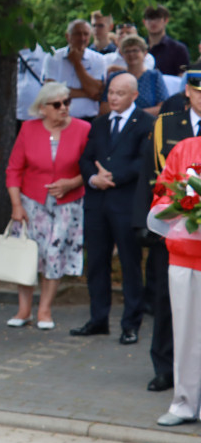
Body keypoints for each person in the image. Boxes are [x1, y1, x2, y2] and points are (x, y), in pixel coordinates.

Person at [71, 73, 154, 344]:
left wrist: (112, 178)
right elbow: (86, 159)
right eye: (111, 92)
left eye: (119, 93)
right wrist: (94, 179)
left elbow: (142, 162)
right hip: (97, 204)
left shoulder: (145, 123)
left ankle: (131, 325)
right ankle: (98, 319)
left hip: (125, 205)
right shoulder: (99, 123)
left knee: (130, 265)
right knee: (96, 263)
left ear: (134, 95)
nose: (113, 97)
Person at [132, 69, 201, 393]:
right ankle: (164, 367)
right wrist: (144, 221)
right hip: (173, 229)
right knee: (164, 300)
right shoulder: (168, 122)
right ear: (188, 91)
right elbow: (151, 172)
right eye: (199, 91)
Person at [5, 83, 90, 330]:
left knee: (54, 255)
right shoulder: (28, 129)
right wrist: (16, 205)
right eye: (57, 104)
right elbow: (14, 170)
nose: (63, 108)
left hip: (68, 204)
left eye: (66, 102)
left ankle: (44, 309)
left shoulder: (83, 129)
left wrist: (71, 183)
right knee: (28, 255)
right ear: (42, 109)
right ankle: (23, 309)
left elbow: (89, 168)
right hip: (32, 202)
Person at [148, 131, 201, 427]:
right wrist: (182, 204)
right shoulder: (184, 149)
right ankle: (183, 403)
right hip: (183, 255)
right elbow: (162, 191)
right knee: (185, 333)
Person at [42, 19, 106, 122]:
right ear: (68, 36)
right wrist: (87, 93)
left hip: (89, 119)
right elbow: (51, 93)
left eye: (86, 34)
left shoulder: (98, 59)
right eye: (77, 34)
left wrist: (77, 63)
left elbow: (96, 92)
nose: (82, 38)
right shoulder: (53, 58)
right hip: (60, 119)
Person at [100, 35, 167, 116]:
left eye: (135, 50)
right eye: (127, 51)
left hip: (149, 124)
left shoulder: (154, 76)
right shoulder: (115, 77)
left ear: (145, 53)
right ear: (122, 55)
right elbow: (104, 107)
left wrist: (134, 115)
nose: (131, 54)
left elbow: (163, 107)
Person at [142, 5, 190, 78]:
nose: (153, 22)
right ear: (144, 22)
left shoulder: (178, 49)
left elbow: (183, 79)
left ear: (166, 20)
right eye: (149, 18)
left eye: (157, 18)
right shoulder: (138, 48)